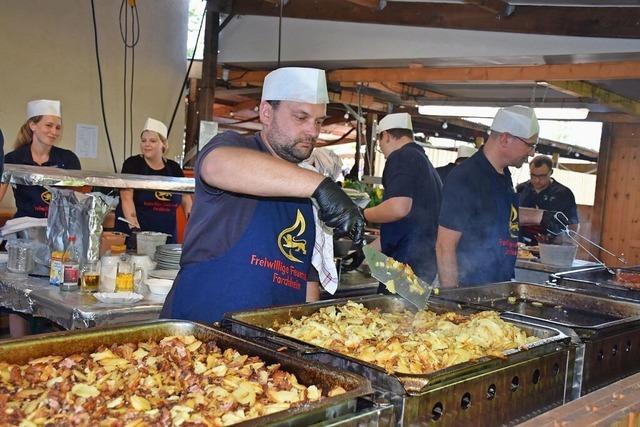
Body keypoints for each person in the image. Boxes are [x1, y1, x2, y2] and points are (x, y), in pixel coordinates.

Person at [161, 67, 364, 323]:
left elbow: (306, 278)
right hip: (201, 335)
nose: (312, 132)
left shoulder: (304, 183)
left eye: (319, 121)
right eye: (301, 117)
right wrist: (321, 186)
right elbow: (216, 166)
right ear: (267, 113)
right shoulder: (235, 146)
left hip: (269, 346)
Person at [436, 105, 551, 288]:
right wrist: (451, 299)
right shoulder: (466, 177)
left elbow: (499, 212)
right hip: (470, 288)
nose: (532, 153)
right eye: (530, 145)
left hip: (500, 284)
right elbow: (444, 245)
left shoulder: (503, 173)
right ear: (505, 139)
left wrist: (541, 217)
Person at [363, 112, 442, 287]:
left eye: (380, 142)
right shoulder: (424, 163)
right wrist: (365, 254)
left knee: (393, 314)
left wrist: (362, 214)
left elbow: (398, 208)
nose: (382, 150)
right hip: (423, 264)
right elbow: (407, 226)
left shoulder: (401, 157)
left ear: (386, 136)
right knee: (411, 314)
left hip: (404, 265)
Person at [115, 118, 192, 243]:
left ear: (163, 144)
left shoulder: (174, 168)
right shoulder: (132, 164)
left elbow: (186, 199)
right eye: (143, 140)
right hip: (137, 233)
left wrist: (193, 224)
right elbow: (126, 197)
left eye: (152, 141)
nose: (147, 144)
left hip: (167, 235)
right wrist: (135, 230)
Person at [0, 100, 81, 218]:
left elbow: (78, 200)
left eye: (58, 127)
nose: (54, 132)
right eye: (48, 125)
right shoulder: (13, 159)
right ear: (32, 125)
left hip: (59, 226)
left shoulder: (68, 159)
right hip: (23, 225)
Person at [517, 155, 579, 244]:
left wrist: (560, 241)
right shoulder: (521, 189)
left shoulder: (563, 194)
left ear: (551, 172)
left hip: (551, 247)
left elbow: (573, 224)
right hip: (521, 245)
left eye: (542, 176)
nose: (537, 180)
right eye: (533, 175)